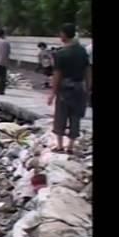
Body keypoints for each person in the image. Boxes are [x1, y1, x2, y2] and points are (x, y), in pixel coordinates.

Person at [47, 24, 91, 155]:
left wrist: (52, 93)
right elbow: (88, 70)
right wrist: (88, 88)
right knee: (75, 116)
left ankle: (60, 145)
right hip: (79, 87)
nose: (60, 36)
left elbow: (57, 75)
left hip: (65, 89)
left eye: (61, 33)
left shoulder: (61, 53)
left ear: (65, 35)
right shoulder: (82, 51)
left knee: (61, 116)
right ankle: (70, 146)